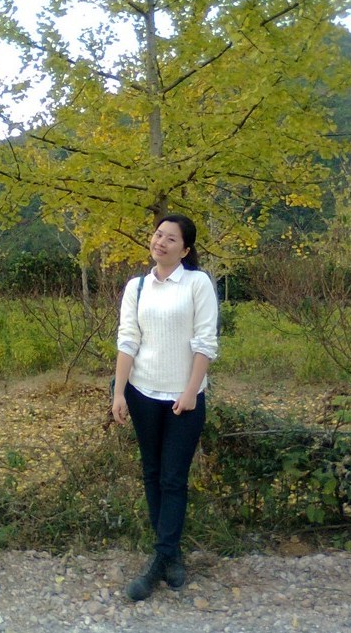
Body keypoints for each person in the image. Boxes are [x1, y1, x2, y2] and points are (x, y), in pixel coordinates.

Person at [112, 213, 219, 602]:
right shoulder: (137, 287)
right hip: (142, 394)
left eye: (171, 238)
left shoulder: (197, 283)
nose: (161, 242)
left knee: (173, 478)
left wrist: (190, 391)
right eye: (158, 234)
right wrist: (119, 392)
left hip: (183, 400)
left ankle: (159, 561)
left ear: (185, 250)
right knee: (153, 474)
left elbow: (206, 341)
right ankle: (170, 555)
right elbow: (128, 339)